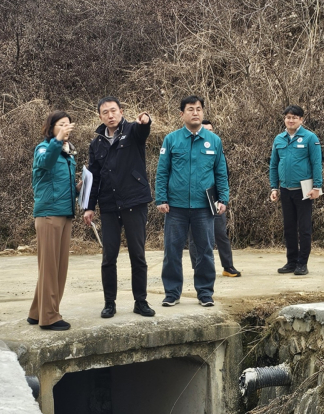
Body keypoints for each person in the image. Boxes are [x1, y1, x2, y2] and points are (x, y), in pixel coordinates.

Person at [83, 96, 156, 318]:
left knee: (137, 254)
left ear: (121, 112)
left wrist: (146, 120)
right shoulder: (96, 144)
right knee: (109, 256)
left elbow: (143, 131)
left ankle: (140, 301)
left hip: (134, 201)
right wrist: (89, 206)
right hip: (109, 204)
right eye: (105, 112)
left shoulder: (133, 131)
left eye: (114, 111)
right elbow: (93, 177)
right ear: (100, 116)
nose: (110, 115)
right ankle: (109, 303)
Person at [155, 95, 230, 307]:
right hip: (176, 207)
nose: (195, 112)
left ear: (203, 112)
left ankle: (205, 293)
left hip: (204, 206)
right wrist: (161, 198)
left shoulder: (214, 141)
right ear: (182, 114)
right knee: (172, 251)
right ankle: (172, 293)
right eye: (190, 109)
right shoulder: (171, 139)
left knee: (205, 251)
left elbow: (221, 173)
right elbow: (162, 172)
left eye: (198, 109)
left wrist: (223, 198)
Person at [28, 111, 78, 331]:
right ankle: (49, 317)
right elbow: (45, 162)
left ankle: (36, 312)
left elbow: (62, 186)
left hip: (65, 213)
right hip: (49, 215)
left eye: (68, 124)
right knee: (50, 268)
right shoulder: (44, 148)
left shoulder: (68, 154)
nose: (66, 127)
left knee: (58, 267)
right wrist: (57, 141)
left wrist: (80, 187)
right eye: (61, 124)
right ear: (51, 128)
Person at [269, 105, 323, 276]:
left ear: (301, 119)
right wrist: (274, 187)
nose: (290, 120)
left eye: (294, 117)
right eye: (288, 117)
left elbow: (316, 163)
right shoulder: (279, 139)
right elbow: (274, 165)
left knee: (304, 228)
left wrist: (317, 187)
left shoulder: (310, 138)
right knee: (289, 228)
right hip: (285, 189)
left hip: (304, 190)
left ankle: (302, 263)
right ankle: (291, 262)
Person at [188, 120, 241, 277]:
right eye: (205, 130)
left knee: (220, 233)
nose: (208, 133)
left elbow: (224, 174)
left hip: (213, 197)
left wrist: (222, 197)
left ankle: (228, 267)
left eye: (211, 130)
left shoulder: (216, 148)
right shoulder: (190, 149)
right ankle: (198, 269)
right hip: (194, 199)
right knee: (194, 236)